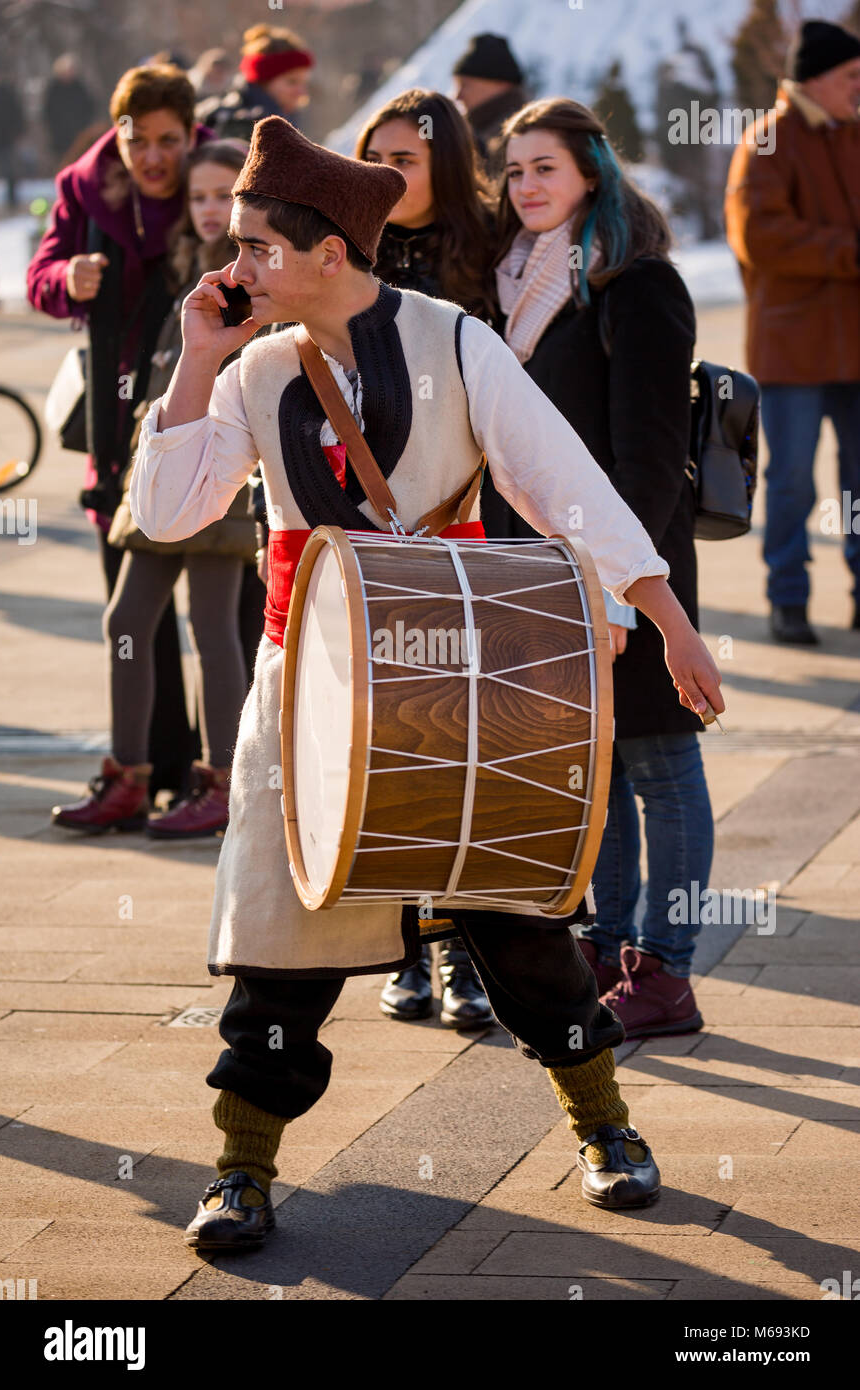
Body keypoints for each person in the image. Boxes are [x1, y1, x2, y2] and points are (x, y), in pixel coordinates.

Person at [129, 115, 723, 1250]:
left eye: (256, 246)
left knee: (518, 922)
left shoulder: (456, 343)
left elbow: (563, 482)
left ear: (329, 254)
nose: (232, 264)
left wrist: (664, 616)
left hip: (451, 674)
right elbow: (168, 511)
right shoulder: (253, 365)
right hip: (303, 680)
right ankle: (241, 1169)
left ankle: (604, 1129)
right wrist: (196, 356)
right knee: (280, 947)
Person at [488, 97, 714, 1038]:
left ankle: (667, 970)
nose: (526, 186)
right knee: (602, 767)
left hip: (631, 567)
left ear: (591, 173)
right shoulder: (516, 288)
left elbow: (654, 457)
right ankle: (607, 941)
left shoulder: (636, 285)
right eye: (513, 171)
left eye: (545, 167)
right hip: (553, 573)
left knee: (662, 767)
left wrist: (626, 586)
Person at [57, 141, 257, 837]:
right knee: (127, 620)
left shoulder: (252, 274)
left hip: (220, 466)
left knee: (212, 626)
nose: (209, 210)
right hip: (161, 456)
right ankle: (130, 778)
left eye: (223, 197)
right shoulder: (181, 267)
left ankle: (227, 781)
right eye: (198, 197)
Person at [28, 65, 213, 807]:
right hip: (117, 427)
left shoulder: (218, 173)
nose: (154, 157)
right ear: (119, 133)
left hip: (205, 423)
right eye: (138, 140)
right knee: (134, 612)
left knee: (222, 615)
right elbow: (40, 273)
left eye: (169, 140)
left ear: (190, 133)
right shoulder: (83, 187)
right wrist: (64, 279)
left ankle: (218, 774)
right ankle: (150, 769)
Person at [355, 88, 498, 1028]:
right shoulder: (345, 247)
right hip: (366, 527)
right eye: (374, 157)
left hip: (463, 527)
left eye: (404, 159)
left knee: (461, 741)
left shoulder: (488, 250)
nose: (385, 175)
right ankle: (401, 942)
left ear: (443, 163)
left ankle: (463, 956)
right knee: (388, 740)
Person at [725, 19, 860, 645]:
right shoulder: (767, 141)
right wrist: (848, 252)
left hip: (855, 347)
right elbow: (760, 239)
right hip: (792, 351)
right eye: (852, 77)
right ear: (819, 80)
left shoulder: (855, 136)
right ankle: (788, 598)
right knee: (793, 481)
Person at [197, 25, 314, 142]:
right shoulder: (238, 123)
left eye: (304, 83)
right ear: (263, 81)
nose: (301, 92)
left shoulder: (286, 119)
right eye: (292, 82)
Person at [452, 33, 527, 180]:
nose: (458, 96)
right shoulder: (471, 131)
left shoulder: (519, 136)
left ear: (501, 84)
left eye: (466, 85)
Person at [42, 55, 97, 170]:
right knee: (63, 164)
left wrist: (86, 126)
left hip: (79, 134)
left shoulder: (80, 88)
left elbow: (90, 108)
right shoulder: (53, 89)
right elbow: (47, 112)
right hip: (60, 136)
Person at [0, 65, 25, 209]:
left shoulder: (7, 93)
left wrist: (17, 131)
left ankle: (12, 201)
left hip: (6, 138)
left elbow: (17, 113)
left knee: (10, 170)